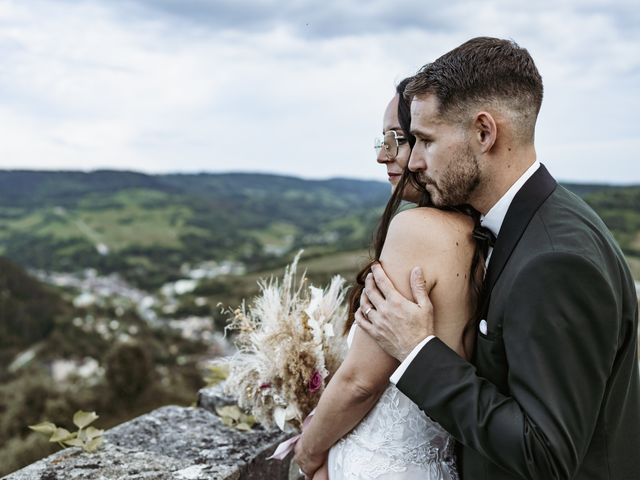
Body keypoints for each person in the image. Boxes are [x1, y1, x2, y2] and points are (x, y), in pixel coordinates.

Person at [357, 37, 640, 479]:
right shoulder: (529, 224)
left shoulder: (555, 261)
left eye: (427, 140)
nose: (413, 161)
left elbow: (544, 454)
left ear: (484, 133)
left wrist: (416, 351)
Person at [293, 78, 487, 478]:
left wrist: (308, 453)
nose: (384, 156)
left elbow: (361, 382)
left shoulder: (416, 230)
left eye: (397, 139)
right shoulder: (476, 232)